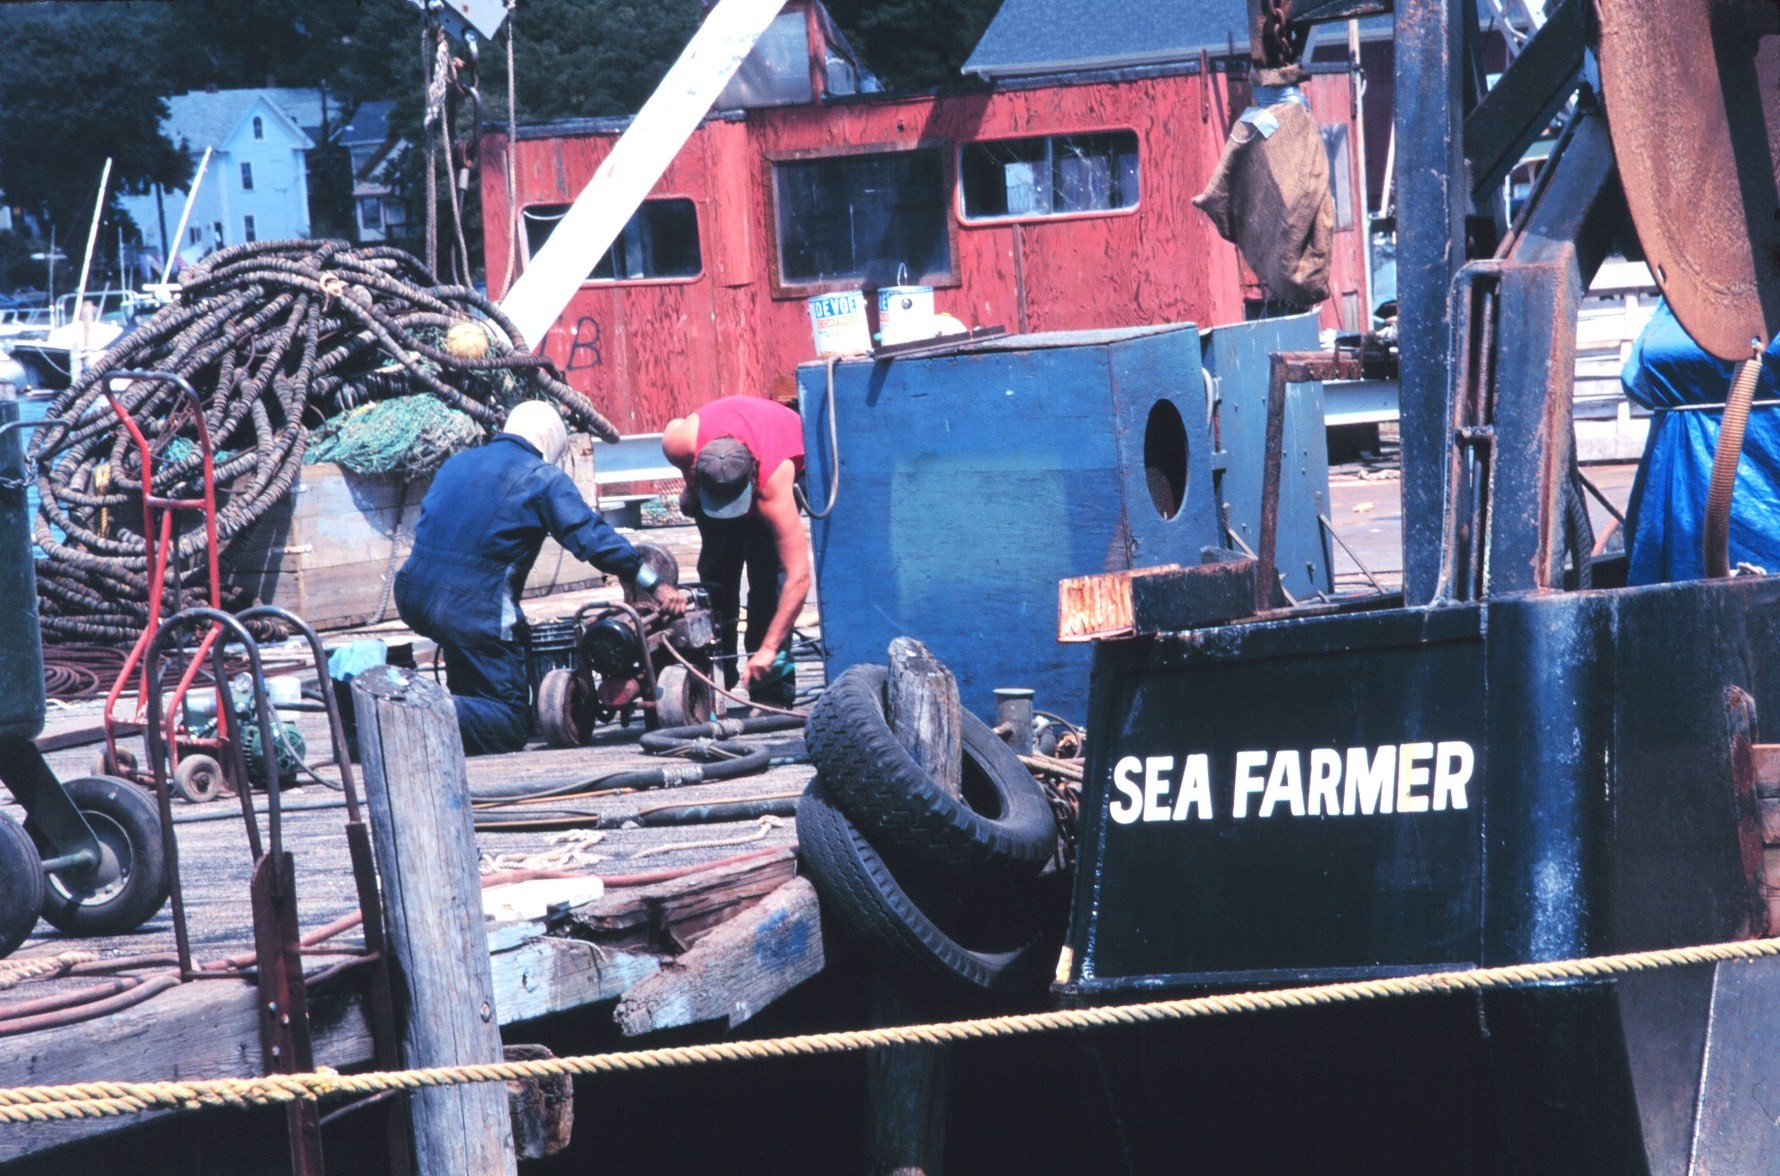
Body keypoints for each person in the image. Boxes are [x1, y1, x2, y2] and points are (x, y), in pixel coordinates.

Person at [396, 401, 685, 755]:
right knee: (507, 723)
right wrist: (653, 582)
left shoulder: (457, 464)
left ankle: (417, 703)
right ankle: (410, 706)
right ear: (550, 443)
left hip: (414, 595)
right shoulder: (540, 478)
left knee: (475, 683)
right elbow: (590, 537)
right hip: (472, 608)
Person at [661, 395, 810, 709]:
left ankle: (771, 684)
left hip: (773, 449)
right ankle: (718, 673)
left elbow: (799, 578)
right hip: (718, 466)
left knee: (770, 580)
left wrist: (768, 648)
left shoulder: (774, 483)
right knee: (715, 578)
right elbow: (674, 426)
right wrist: (689, 485)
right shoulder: (680, 445)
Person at [1620, 299, 1780, 584]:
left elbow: (1635, 381)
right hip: (1686, 481)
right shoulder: (1683, 304)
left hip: (1682, 486)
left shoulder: (1683, 307)